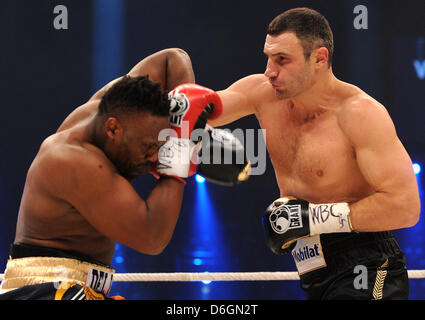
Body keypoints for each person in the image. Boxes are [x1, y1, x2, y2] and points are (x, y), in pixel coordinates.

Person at [208, 8, 420, 299]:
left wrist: (313, 218)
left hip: (367, 264)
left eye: (282, 60)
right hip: (312, 268)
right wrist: (148, 92)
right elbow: (201, 111)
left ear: (319, 58)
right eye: (269, 57)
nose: (270, 70)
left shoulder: (359, 114)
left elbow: (406, 207)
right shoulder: (261, 93)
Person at [0, 48, 232, 300]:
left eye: (160, 145)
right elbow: (152, 237)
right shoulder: (73, 160)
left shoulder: (113, 107)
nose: (155, 156)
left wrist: (181, 115)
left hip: (77, 288)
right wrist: (178, 151)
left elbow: (171, 59)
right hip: (42, 290)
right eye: (149, 146)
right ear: (113, 129)